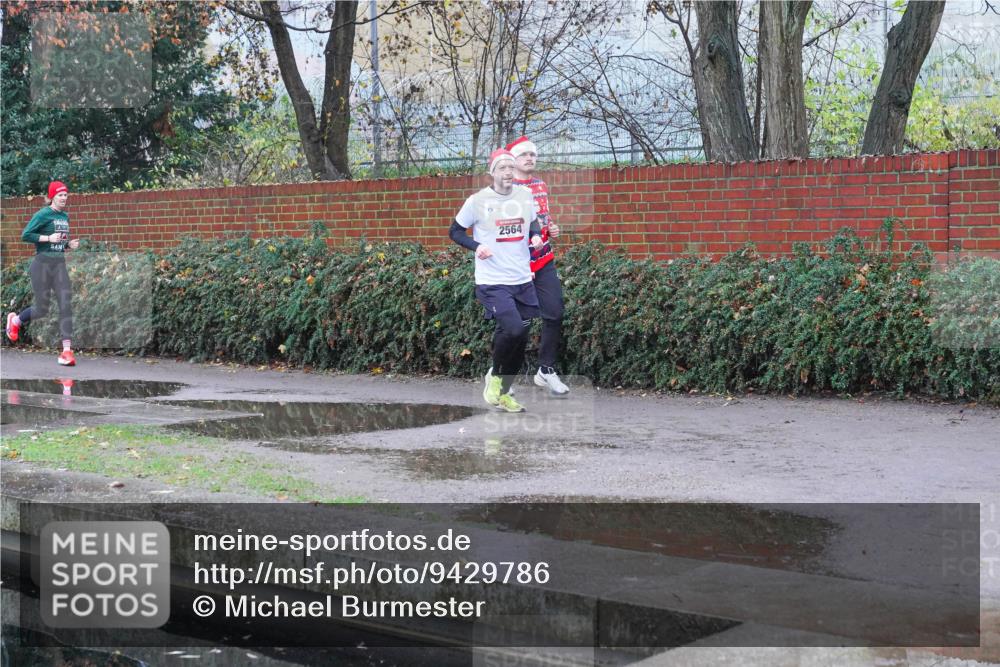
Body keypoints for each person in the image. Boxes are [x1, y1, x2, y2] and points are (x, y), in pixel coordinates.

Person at [450, 148, 543, 412]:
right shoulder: (477, 201)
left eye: (511, 168)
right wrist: (476, 246)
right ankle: (494, 376)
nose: (508, 173)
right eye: (502, 168)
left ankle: (503, 391)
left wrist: (535, 236)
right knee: (513, 328)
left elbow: (533, 222)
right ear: (492, 173)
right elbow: (455, 231)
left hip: (522, 278)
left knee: (521, 334)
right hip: (492, 280)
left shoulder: (525, 196)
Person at [506, 135, 569, 395]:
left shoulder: (541, 185)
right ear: (513, 160)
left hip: (543, 258)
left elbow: (543, 217)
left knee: (554, 312)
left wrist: (551, 228)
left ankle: (546, 370)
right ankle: (501, 375)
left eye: (532, 154)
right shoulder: (505, 189)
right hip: (517, 263)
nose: (530, 158)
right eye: (524, 155)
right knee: (516, 322)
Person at [6, 181, 80, 366]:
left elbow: (58, 242)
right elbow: (26, 235)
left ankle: (66, 352)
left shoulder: (65, 217)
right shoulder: (42, 214)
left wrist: (67, 245)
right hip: (42, 265)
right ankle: (15, 320)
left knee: (66, 304)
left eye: (65, 195)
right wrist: (47, 237)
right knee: (42, 309)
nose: (64, 198)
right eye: (60, 195)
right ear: (52, 196)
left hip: (59, 265)